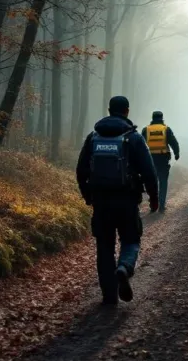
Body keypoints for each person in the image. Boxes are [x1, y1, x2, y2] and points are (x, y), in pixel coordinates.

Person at [76, 95, 159, 306]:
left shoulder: (93, 138)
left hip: (101, 202)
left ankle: (109, 297)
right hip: (127, 201)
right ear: (127, 111)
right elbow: (149, 172)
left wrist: (87, 196)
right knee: (131, 240)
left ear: (109, 109)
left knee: (104, 246)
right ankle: (124, 267)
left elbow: (81, 170)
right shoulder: (134, 138)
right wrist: (154, 198)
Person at [141, 110, 180, 213]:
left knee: (152, 182)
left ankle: (153, 203)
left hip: (150, 160)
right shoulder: (166, 129)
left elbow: (141, 145)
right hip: (163, 159)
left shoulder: (146, 130)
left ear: (152, 118)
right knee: (163, 182)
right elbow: (173, 142)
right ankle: (162, 205)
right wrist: (176, 153)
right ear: (162, 118)